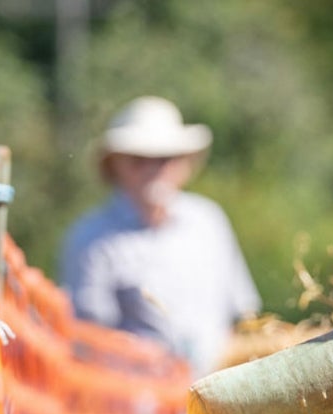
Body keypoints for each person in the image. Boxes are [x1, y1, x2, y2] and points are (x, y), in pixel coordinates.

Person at [60, 96, 261, 376]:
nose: (153, 170)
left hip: (218, 388)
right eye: (139, 160)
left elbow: (241, 314)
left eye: (165, 159)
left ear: (183, 163)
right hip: (133, 395)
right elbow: (88, 339)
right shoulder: (92, 239)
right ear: (117, 166)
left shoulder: (208, 221)